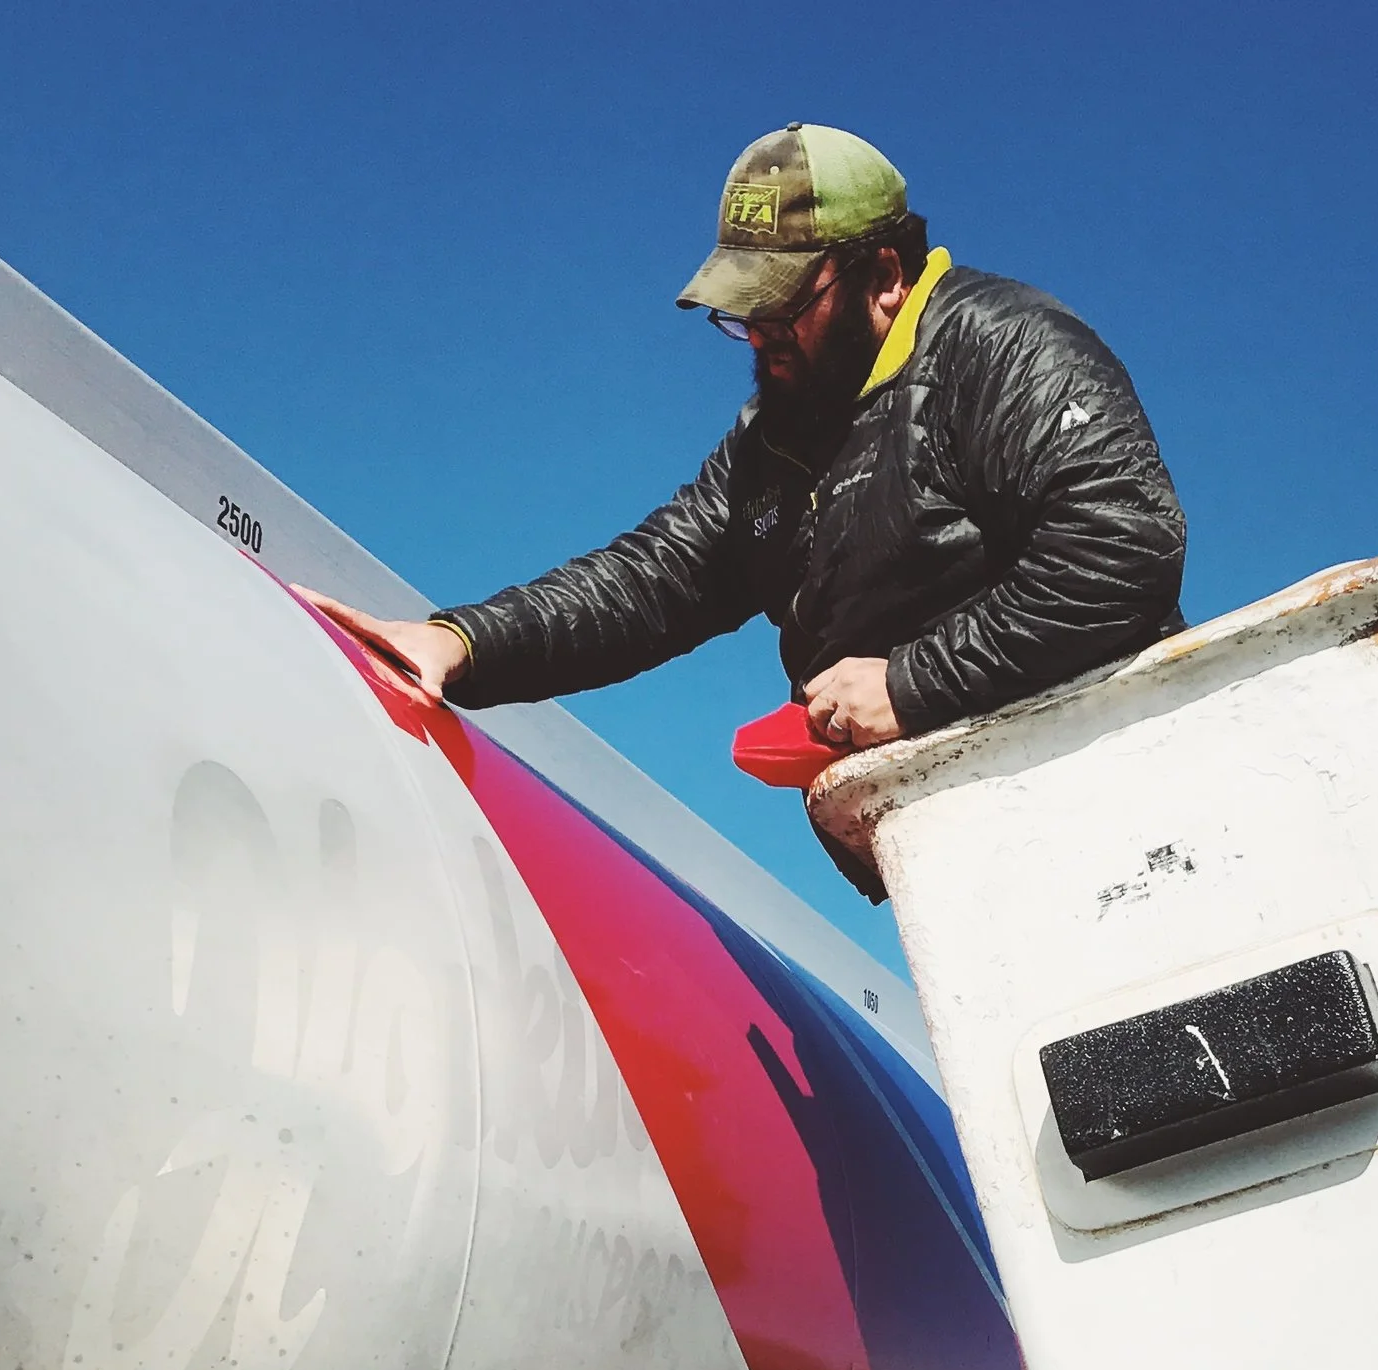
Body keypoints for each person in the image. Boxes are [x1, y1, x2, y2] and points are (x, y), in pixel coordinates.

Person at [300, 123, 1186, 891]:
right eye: (741, 310)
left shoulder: (1003, 349)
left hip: (1119, 810)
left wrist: (912, 684)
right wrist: (461, 641)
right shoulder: (773, 443)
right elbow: (645, 581)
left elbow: (1124, 545)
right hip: (947, 841)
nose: (758, 334)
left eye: (782, 305)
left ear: (883, 274)